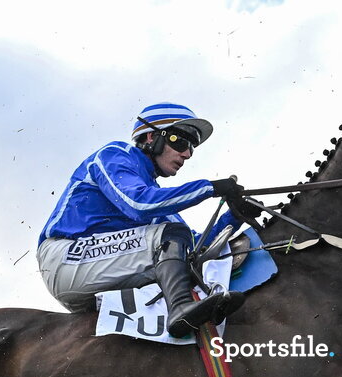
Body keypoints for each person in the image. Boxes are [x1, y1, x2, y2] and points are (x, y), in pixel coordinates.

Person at [37, 102, 258, 338]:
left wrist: (234, 217)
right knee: (170, 234)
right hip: (65, 260)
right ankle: (181, 308)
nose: (187, 154)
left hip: (98, 268)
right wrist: (210, 187)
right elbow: (139, 204)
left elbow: (195, 247)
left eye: (192, 147)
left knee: (182, 250)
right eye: (181, 142)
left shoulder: (155, 197)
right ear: (152, 137)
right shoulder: (114, 155)